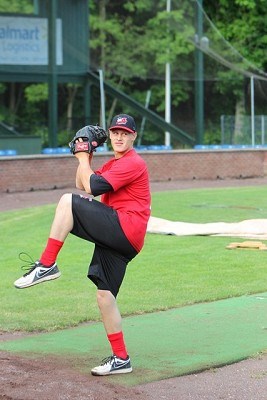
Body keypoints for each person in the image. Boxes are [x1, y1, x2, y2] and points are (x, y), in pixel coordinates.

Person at [14, 113, 151, 376]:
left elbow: (91, 187)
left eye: (125, 133)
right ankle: (122, 359)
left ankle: (47, 264)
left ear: (134, 136)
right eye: (116, 132)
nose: (120, 136)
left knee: (67, 202)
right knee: (104, 297)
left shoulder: (134, 162)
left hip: (125, 227)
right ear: (110, 136)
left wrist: (81, 155)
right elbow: (82, 181)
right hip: (122, 238)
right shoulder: (113, 164)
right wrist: (85, 155)